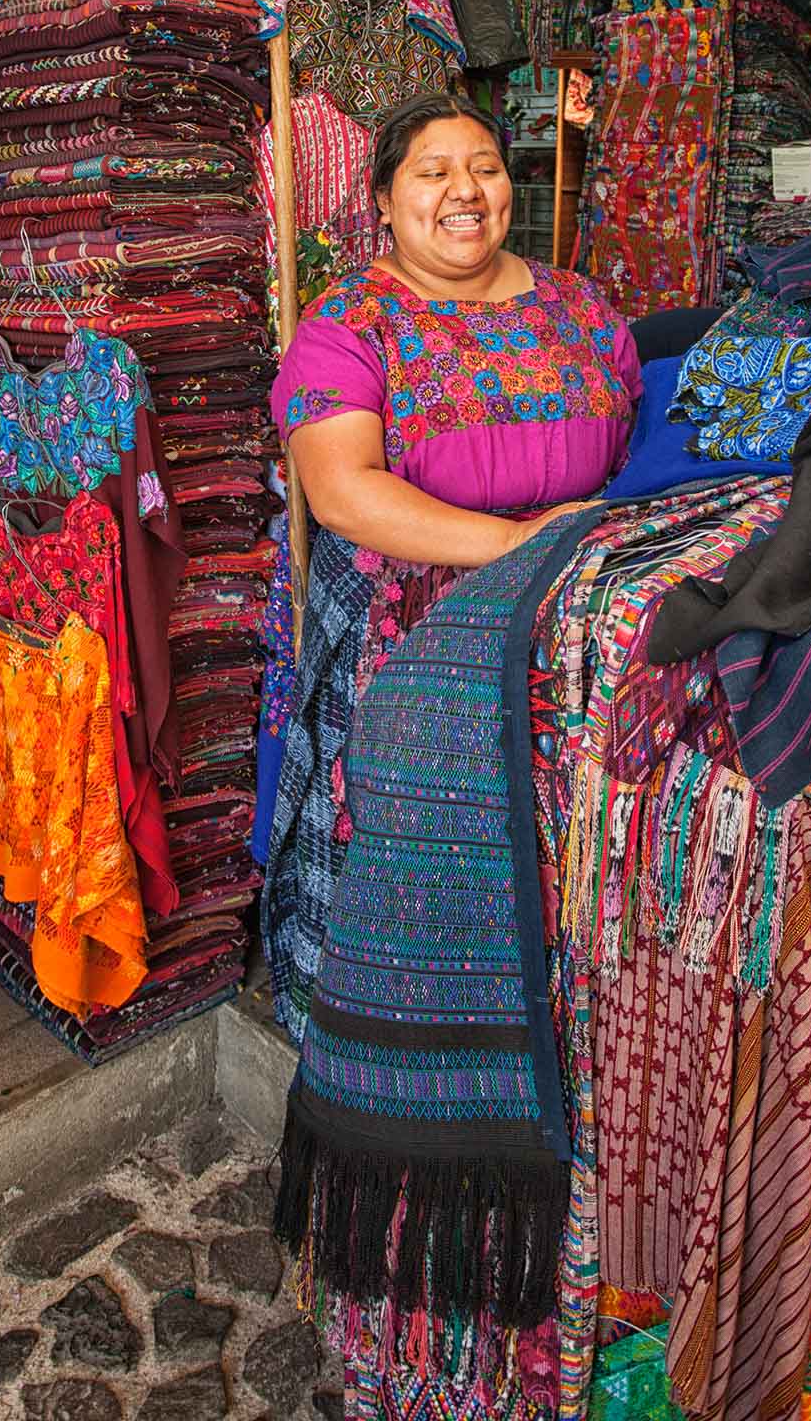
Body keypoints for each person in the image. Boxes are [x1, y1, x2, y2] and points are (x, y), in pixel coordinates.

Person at [261, 90, 643, 1042]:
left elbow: (635, 438)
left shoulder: (576, 304)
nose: (464, 191)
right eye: (432, 173)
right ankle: (395, 1062)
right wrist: (520, 548)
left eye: (484, 167)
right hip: (416, 629)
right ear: (383, 203)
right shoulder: (351, 323)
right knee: (432, 874)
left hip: (578, 607)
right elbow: (343, 492)